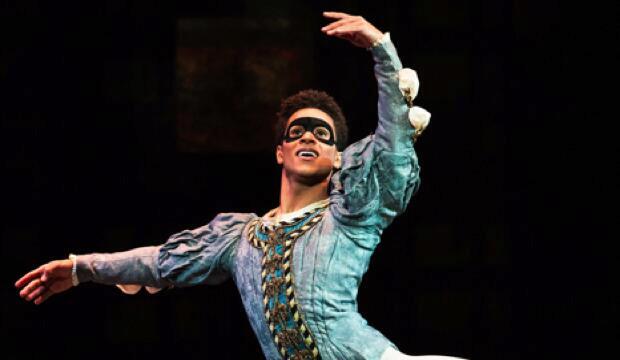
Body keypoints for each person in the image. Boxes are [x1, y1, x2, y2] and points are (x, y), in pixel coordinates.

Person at [15, 11, 462, 360]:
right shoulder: (239, 238)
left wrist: (382, 51)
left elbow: (393, 148)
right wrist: (81, 268)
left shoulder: (349, 215)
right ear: (279, 153)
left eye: (323, 135)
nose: (309, 136)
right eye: (297, 131)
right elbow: (159, 262)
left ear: (337, 158)